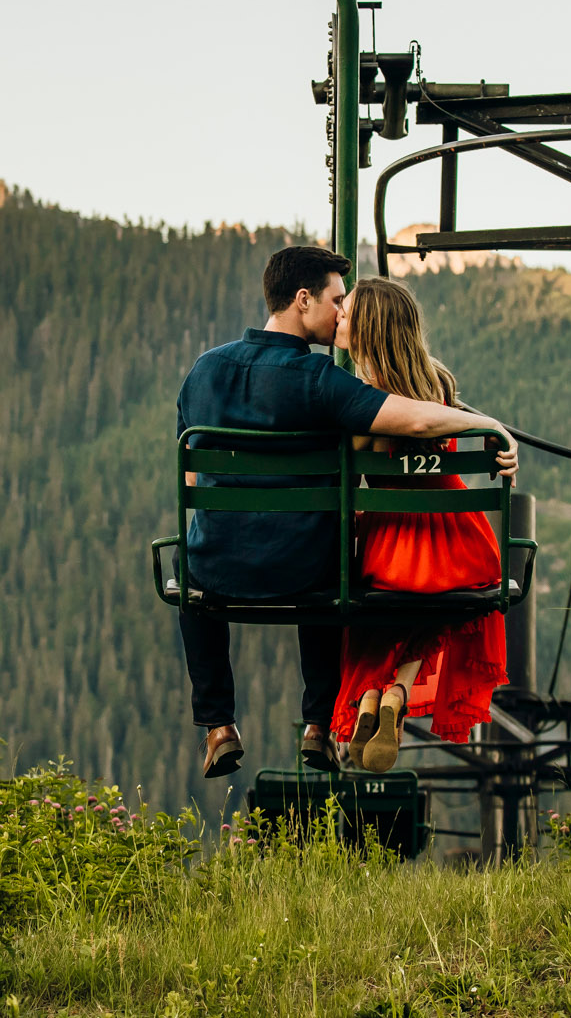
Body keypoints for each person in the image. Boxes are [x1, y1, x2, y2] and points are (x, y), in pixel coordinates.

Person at [175, 246, 516, 780]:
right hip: (309, 575)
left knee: (190, 569)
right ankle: (316, 724)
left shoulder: (202, 371)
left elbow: (192, 476)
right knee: (330, 550)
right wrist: (490, 425)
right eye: (337, 300)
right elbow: (416, 422)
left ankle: (218, 724)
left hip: (217, 568)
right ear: (303, 299)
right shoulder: (320, 381)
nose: (340, 313)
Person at [327, 276, 511, 773]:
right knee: (436, 606)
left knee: (374, 598)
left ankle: (369, 696)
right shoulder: (439, 384)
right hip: (460, 541)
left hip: (393, 546)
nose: (339, 316)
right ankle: (397, 694)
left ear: (369, 329)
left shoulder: (360, 400)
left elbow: (347, 472)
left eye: (348, 312)